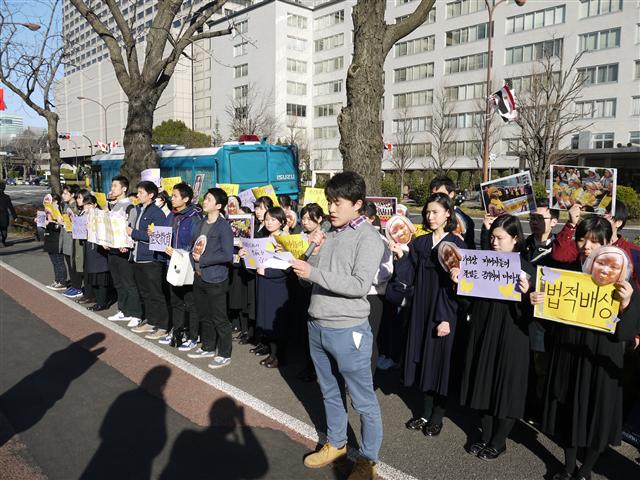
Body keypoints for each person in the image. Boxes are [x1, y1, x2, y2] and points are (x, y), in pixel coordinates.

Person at [530, 217, 639, 480]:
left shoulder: (622, 282)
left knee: (595, 414)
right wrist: (537, 300)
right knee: (566, 409)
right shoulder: (564, 272)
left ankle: (585, 470)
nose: (587, 246)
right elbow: (546, 319)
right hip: (568, 352)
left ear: (608, 243)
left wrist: (626, 304)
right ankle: (568, 467)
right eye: (582, 239)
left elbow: (624, 333)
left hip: (600, 357)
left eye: (595, 241)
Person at [291, 172, 384, 480]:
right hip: (317, 324)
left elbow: (358, 285)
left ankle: (368, 460)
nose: (331, 208)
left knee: (363, 400)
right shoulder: (328, 229)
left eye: (337, 202)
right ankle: (337, 443)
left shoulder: (369, 238)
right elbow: (306, 272)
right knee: (329, 391)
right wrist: (311, 249)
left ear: (357, 204)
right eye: (329, 201)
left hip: (349, 329)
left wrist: (313, 273)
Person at [456, 214, 535, 461]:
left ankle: (499, 441)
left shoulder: (527, 268)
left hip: (513, 337)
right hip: (483, 330)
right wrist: (458, 284)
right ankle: (484, 435)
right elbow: (468, 303)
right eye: (492, 237)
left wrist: (527, 295)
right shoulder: (480, 263)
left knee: (506, 387)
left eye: (500, 238)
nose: (495, 243)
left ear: (515, 239)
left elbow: (535, 315)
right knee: (483, 382)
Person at [393, 193, 466, 438]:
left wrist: (446, 317)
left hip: (443, 312)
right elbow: (408, 274)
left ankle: (437, 416)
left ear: (448, 213)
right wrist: (400, 255)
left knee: (441, 364)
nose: (430, 216)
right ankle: (424, 412)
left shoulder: (456, 244)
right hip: (421, 310)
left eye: (435, 212)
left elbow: (456, 286)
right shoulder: (422, 243)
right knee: (424, 360)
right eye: (427, 212)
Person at [522, 199, 561, 424]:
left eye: (541, 218)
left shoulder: (560, 249)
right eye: (532, 218)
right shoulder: (522, 245)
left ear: (554, 222)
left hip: (545, 320)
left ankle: (538, 411)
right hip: (522, 314)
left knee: (541, 368)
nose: (535, 222)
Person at [188, 187, 235, 369]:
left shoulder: (223, 227)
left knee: (219, 317)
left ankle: (224, 353)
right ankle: (208, 346)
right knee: (204, 315)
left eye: (208, 199)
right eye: (205, 198)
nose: (204, 201)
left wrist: (203, 259)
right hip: (199, 276)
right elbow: (194, 245)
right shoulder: (201, 222)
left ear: (219, 205)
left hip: (215, 278)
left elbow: (227, 255)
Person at [551, 201, 640, 289]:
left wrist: (626, 300)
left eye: (603, 215)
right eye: (596, 214)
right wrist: (571, 223)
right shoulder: (582, 248)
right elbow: (559, 254)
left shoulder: (634, 252)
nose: (587, 246)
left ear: (618, 222)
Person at [247, 206, 292, 368]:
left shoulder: (286, 240)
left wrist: (267, 272)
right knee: (266, 319)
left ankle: (279, 356)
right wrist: (247, 257)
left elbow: (288, 268)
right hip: (264, 283)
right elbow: (254, 263)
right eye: (267, 219)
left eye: (273, 219)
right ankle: (272, 354)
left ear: (281, 221)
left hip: (278, 286)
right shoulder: (263, 238)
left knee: (277, 322)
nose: (269, 222)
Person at [126, 181, 170, 339]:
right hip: (137, 258)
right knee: (145, 293)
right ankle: (151, 321)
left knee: (156, 293)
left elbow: (157, 237)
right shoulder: (138, 209)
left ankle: (163, 325)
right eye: (137, 192)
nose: (137, 195)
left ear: (151, 195)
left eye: (141, 192)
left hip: (151, 259)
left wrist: (134, 233)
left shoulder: (156, 213)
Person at [163, 183, 203, 349]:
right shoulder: (172, 215)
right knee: (175, 300)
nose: (172, 199)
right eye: (172, 196)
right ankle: (177, 332)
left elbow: (197, 243)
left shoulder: (194, 217)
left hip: (188, 265)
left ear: (186, 199)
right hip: (171, 264)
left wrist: (179, 252)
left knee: (190, 302)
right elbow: (164, 234)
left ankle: (194, 336)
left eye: (175, 196)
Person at [106, 176, 143, 328]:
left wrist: (127, 244)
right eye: (112, 185)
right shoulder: (113, 206)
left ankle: (136, 314)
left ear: (124, 189)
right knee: (118, 283)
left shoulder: (130, 207)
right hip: (112, 249)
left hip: (124, 250)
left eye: (115, 186)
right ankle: (123, 310)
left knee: (129, 283)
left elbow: (131, 228)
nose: (112, 188)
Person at [295, 203, 325, 382]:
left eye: (309, 218)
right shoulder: (300, 237)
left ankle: (317, 368)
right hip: (300, 286)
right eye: (303, 218)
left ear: (320, 219)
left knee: (317, 330)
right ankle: (309, 365)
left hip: (317, 288)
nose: (305, 222)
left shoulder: (326, 238)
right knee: (304, 329)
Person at [82, 195, 112, 311]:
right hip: (90, 247)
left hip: (100, 248)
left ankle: (102, 302)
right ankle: (98, 300)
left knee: (101, 275)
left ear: (95, 205)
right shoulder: (85, 216)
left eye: (89, 204)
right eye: (85, 204)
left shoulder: (101, 214)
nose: (87, 207)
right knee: (93, 276)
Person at [429, 176, 475, 249]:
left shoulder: (463, 219)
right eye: (433, 194)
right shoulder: (429, 214)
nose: (436, 198)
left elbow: (470, 249)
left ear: (451, 194)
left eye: (441, 194)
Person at [60, 184, 83, 299]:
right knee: (69, 264)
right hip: (66, 238)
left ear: (72, 195)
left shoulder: (75, 207)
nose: (63, 195)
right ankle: (74, 286)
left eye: (65, 193)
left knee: (74, 265)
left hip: (73, 239)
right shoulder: (66, 205)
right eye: (63, 193)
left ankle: (77, 287)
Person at [43, 194, 67, 290]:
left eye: (52, 201)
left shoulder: (59, 212)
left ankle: (62, 281)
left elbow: (59, 227)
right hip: (49, 239)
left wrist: (51, 222)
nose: (50, 203)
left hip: (57, 239)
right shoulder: (47, 212)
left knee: (59, 261)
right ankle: (57, 280)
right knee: (54, 261)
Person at [0, 181, 17, 247]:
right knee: (4, 230)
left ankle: (1, 241)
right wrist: (15, 216)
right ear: (4, 188)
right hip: (4, 216)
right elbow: (11, 207)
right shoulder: (6, 197)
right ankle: (3, 241)